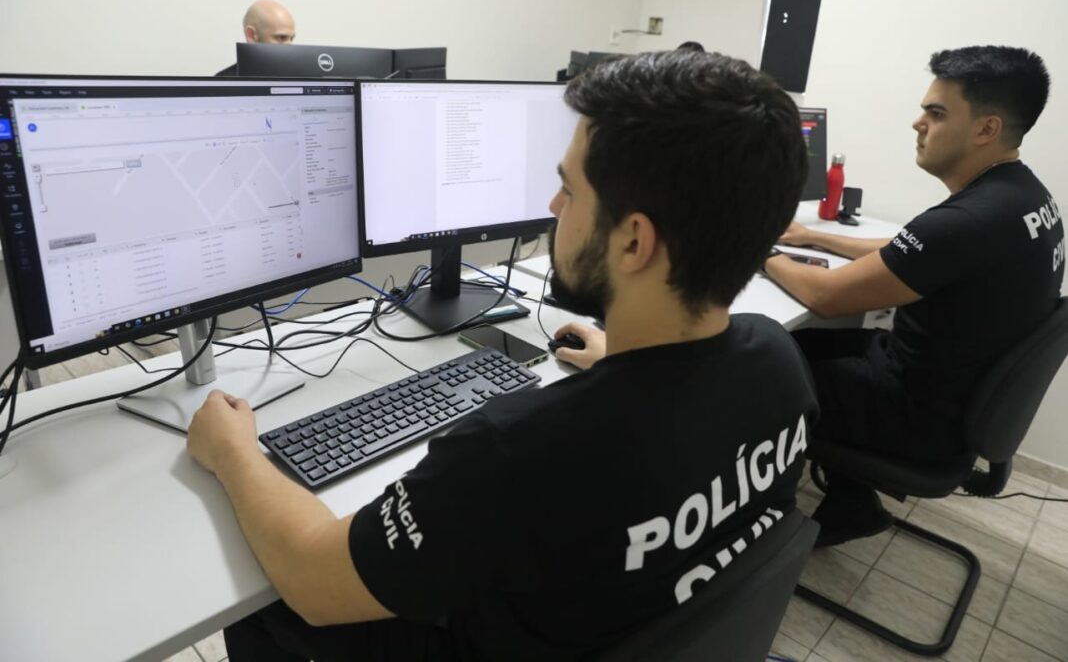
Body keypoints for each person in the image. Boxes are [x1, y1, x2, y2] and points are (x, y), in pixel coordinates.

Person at [187, 50, 817, 661]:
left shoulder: (517, 451)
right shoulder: (778, 360)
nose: (552, 209)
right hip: (625, 624)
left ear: (633, 242)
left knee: (257, 597)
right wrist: (620, 366)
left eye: (568, 190)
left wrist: (234, 451)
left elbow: (309, 576)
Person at [763, 45, 1063, 547]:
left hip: (914, 417)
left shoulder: (968, 221)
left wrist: (757, 249)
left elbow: (824, 297)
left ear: (986, 129)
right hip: (949, 398)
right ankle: (850, 505)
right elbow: (911, 252)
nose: (917, 123)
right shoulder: (1022, 196)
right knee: (802, 346)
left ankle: (751, 526)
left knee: (758, 365)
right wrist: (815, 238)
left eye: (936, 113)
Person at [216, 0, 296, 76]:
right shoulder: (223, 83)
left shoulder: (299, 77)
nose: (290, 45)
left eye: (291, 38)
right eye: (281, 37)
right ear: (251, 35)